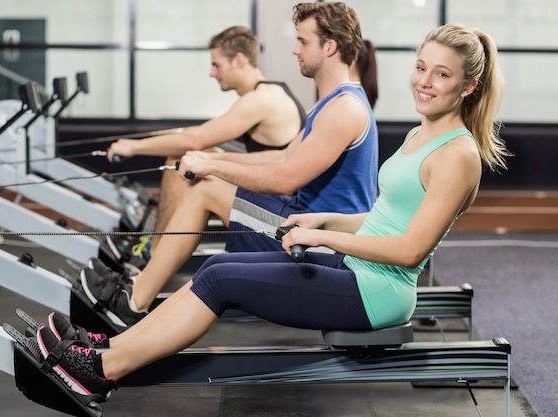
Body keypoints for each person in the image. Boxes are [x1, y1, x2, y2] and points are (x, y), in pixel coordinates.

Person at [34, 18, 509, 403]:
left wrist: (324, 238)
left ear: (467, 86)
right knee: (218, 266)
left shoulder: (458, 155)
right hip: (354, 264)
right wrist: (325, 222)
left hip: (377, 291)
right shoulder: (418, 134)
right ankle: (110, 346)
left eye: (441, 74)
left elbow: (409, 250)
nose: (424, 82)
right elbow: (384, 219)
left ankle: (100, 372)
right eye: (421, 67)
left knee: (221, 281)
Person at [81, 1, 380, 328]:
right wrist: (210, 159)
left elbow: (286, 178)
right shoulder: (331, 103)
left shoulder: (344, 109)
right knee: (206, 185)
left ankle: (134, 300)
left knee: (205, 190)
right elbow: (281, 157)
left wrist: (213, 167)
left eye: (303, 42)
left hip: (320, 241)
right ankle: (139, 289)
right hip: (301, 220)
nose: (295, 49)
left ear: (330, 46)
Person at [106, 25, 306, 250]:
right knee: (196, 156)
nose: (212, 73)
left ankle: (154, 250)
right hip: (266, 186)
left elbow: (196, 140)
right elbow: (206, 133)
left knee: (179, 161)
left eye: (216, 64)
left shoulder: (262, 99)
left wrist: (133, 147)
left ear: (239, 60)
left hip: (279, 204)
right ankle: (158, 246)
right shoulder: (263, 94)